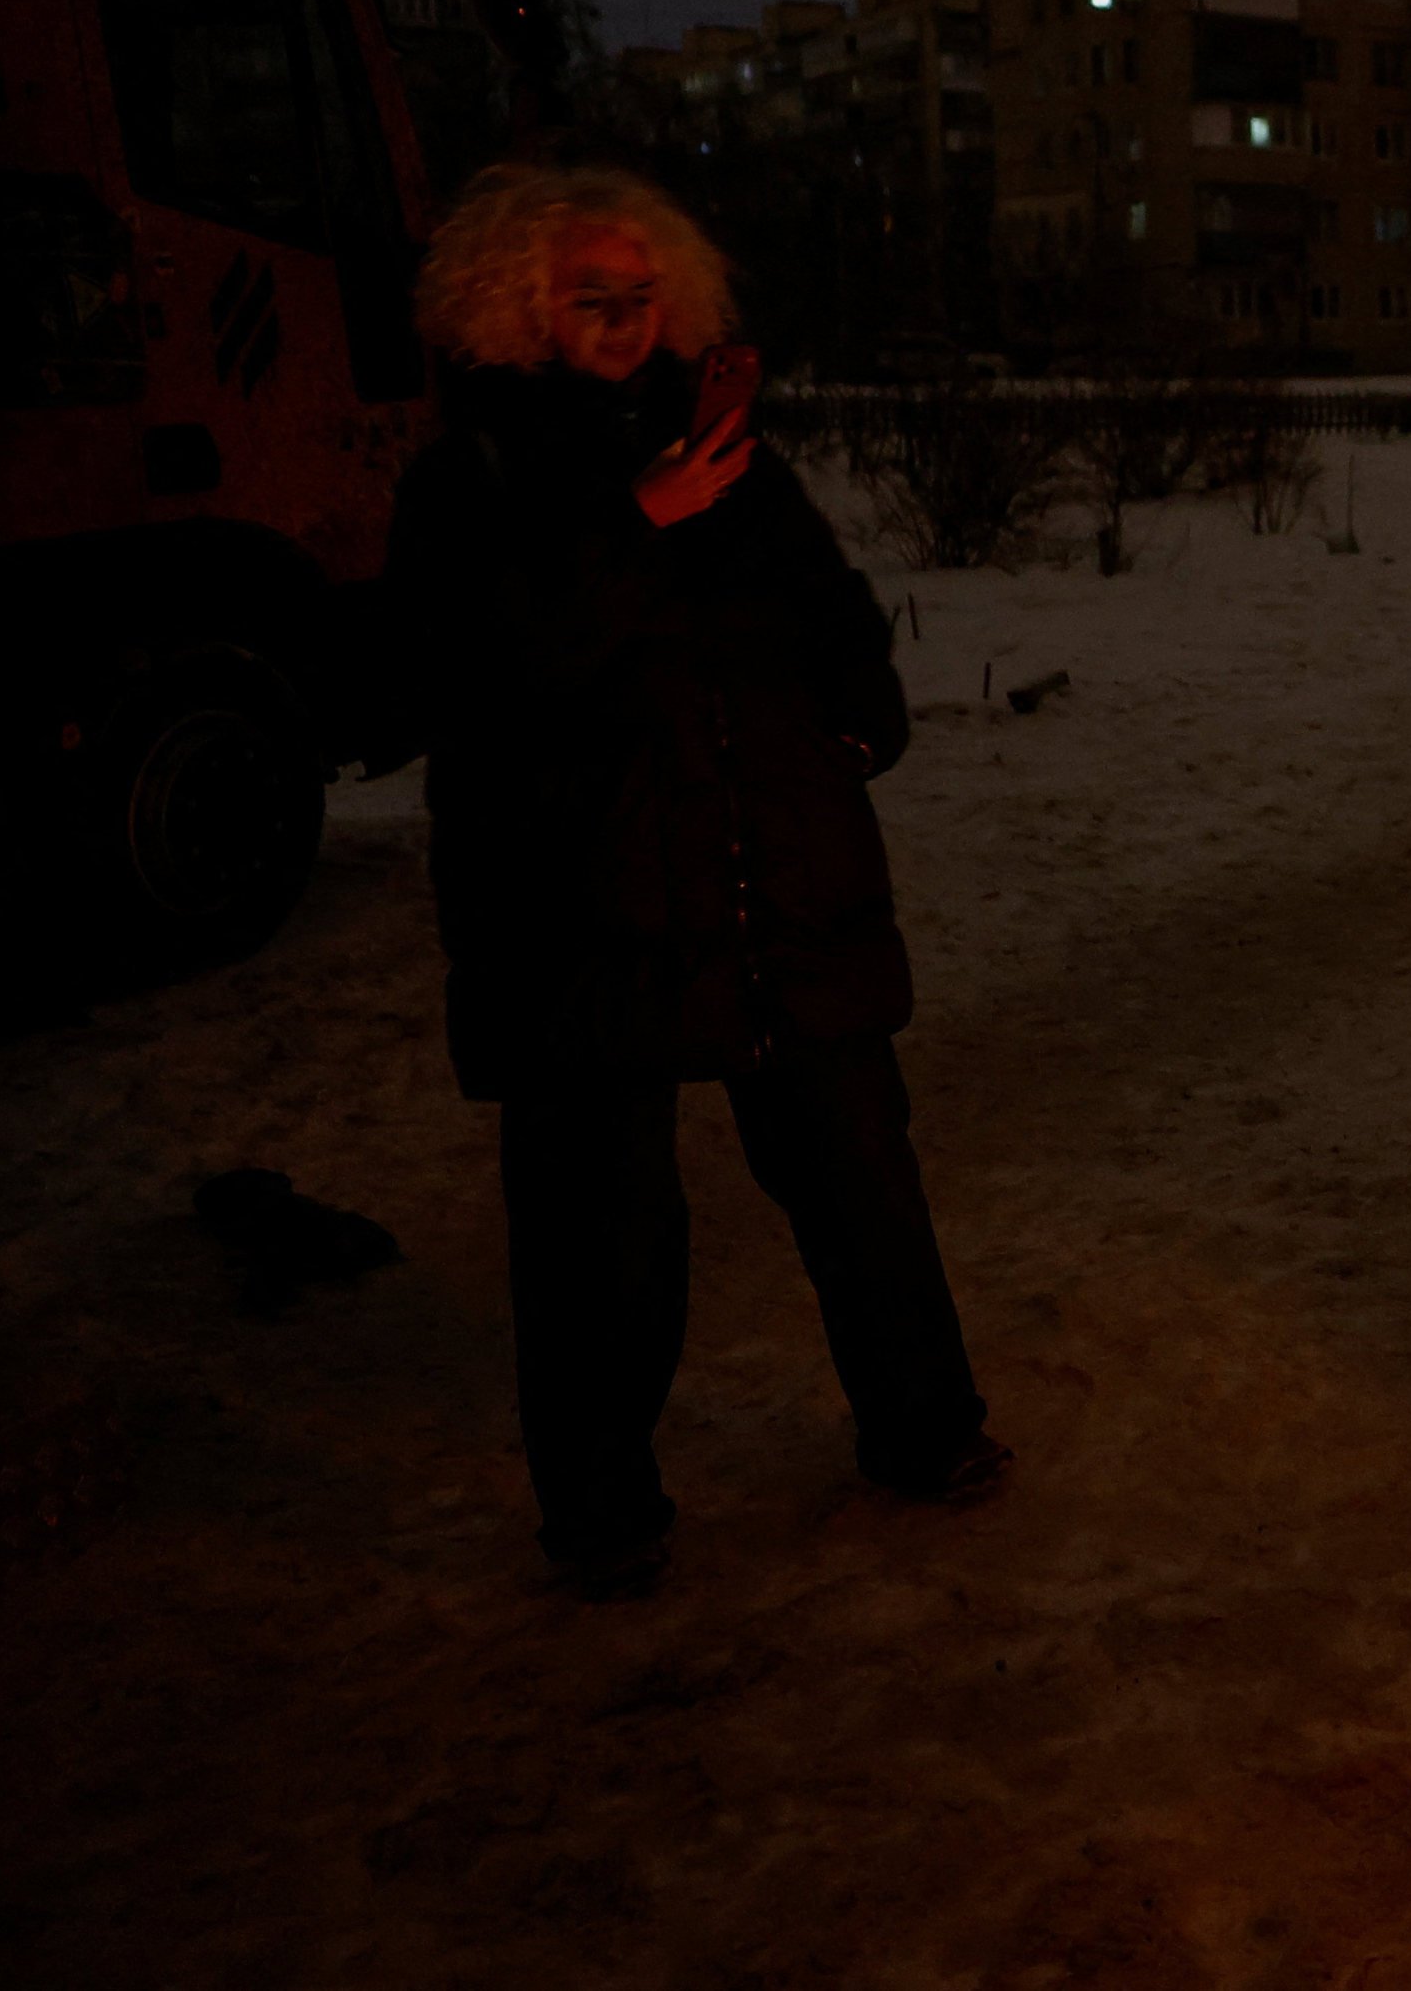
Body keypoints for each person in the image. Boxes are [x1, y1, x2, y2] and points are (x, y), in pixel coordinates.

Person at [389, 165, 998, 1599]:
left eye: (638, 292)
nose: (619, 319)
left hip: (778, 875)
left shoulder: (724, 443)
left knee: (860, 1175)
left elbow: (825, 600)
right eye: (586, 298)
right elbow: (455, 678)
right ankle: (602, 1515)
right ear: (518, 307)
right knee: (602, 1229)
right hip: (583, 911)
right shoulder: (470, 474)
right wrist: (634, 524)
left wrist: (858, 711)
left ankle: (927, 1429)